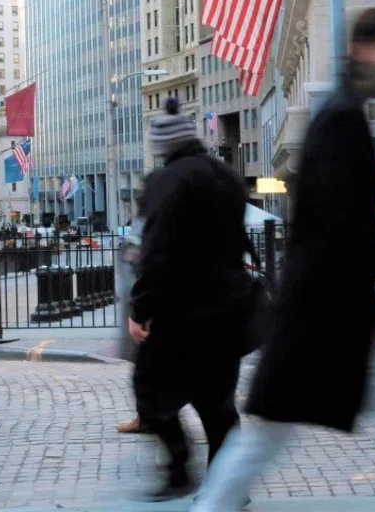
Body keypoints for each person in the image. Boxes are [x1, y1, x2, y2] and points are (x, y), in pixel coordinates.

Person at [191, 8, 375, 512]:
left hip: (330, 316)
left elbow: (347, 231)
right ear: (364, 50)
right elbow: (349, 231)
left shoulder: (340, 115)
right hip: (329, 318)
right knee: (273, 437)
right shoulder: (342, 120)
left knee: (279, 435)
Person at [128, 97, 252, 501]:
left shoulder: (166, 182)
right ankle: (225, 486)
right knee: (218, 406)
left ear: (163, 145)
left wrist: (141, 308)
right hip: (228, 309)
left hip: (182, 312)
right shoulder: (226, 176)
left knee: (150, 392)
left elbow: (157, 250)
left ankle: (180, 470)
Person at [116, 180, 147, 434]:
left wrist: (137, 312)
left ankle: (147, 417)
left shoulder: (145, 226)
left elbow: (137, 271)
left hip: (146, 308)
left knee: (146, 371)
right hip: (145, 305)